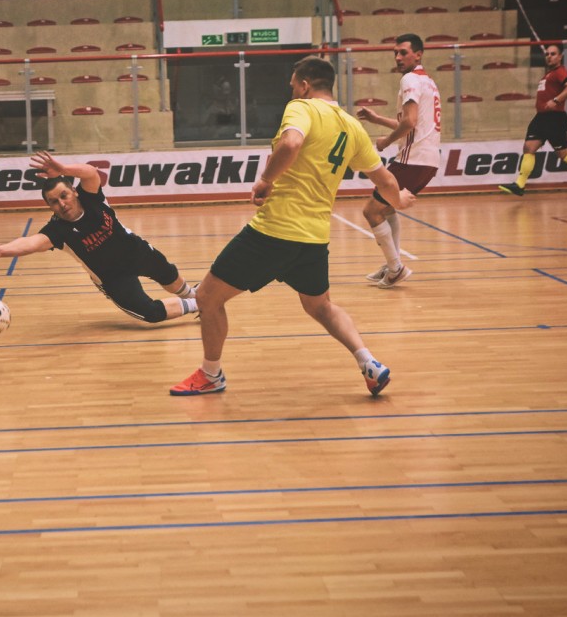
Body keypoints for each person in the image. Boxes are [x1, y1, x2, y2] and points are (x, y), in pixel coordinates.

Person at [170, 56, 415, 397]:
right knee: (320, 306)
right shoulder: (351, 126)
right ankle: (369, 362)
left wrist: (266, 180)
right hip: (314, 238)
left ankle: (211, 375)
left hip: (274, 230)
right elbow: (385, 179)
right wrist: (399, 200)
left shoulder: (302, 108)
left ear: (304, 85)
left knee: (207, 298)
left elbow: (291, 143)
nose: (291, 91)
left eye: (292, 86)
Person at [0, 151, 199, 323]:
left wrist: (63, 168)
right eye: (54, 202)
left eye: (64, 195)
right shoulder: (58, 230)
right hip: (112, 278)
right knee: (150, 314)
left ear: (74, 192)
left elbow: (90, 173)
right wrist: (2, 250)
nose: (62, 203)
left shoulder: (92, 198)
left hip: (135, 252)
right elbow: (31, 243)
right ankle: (199, 304)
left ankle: (196, 296)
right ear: (49, 206)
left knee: (170, 276)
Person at [355, 33, 441, 289]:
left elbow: (409, 122)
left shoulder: (410, 79)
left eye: (403, 52)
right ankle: (393, 263)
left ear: (418, 54)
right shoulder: (429, 82)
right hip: (428, 160)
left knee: (371, 211)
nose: (398, 57)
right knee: (388, 208)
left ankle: (395, 268)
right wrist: (377, 119)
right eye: (395, 53)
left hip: (412, 159)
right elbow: (413, 123)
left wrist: (385, 142)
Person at [498, 43, 567, 207]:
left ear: (560, 56)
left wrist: (556, 100)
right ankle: (520, 185)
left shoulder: (560, 71)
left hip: (554, 118)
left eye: (553, 54)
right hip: (541, 118)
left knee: (563, 154)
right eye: (547, 54)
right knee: (529, 148)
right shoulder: (549, 74)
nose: (549, 56)